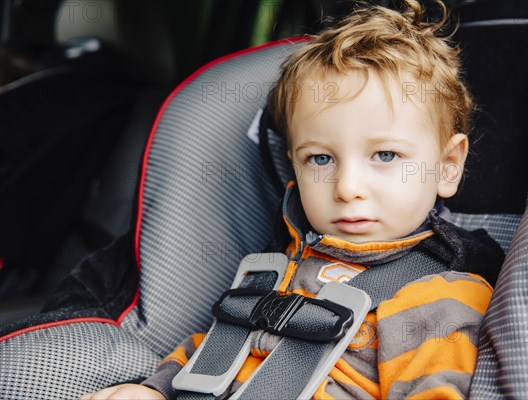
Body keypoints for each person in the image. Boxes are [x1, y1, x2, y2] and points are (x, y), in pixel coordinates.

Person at [81, 2, 505, 399]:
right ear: (294, 165)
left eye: (386, 155)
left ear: (448, 166)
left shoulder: (438, 299)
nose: (347, 187)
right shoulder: (282, 265)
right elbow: (217, 345)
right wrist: (156, 388)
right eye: (320, 158)